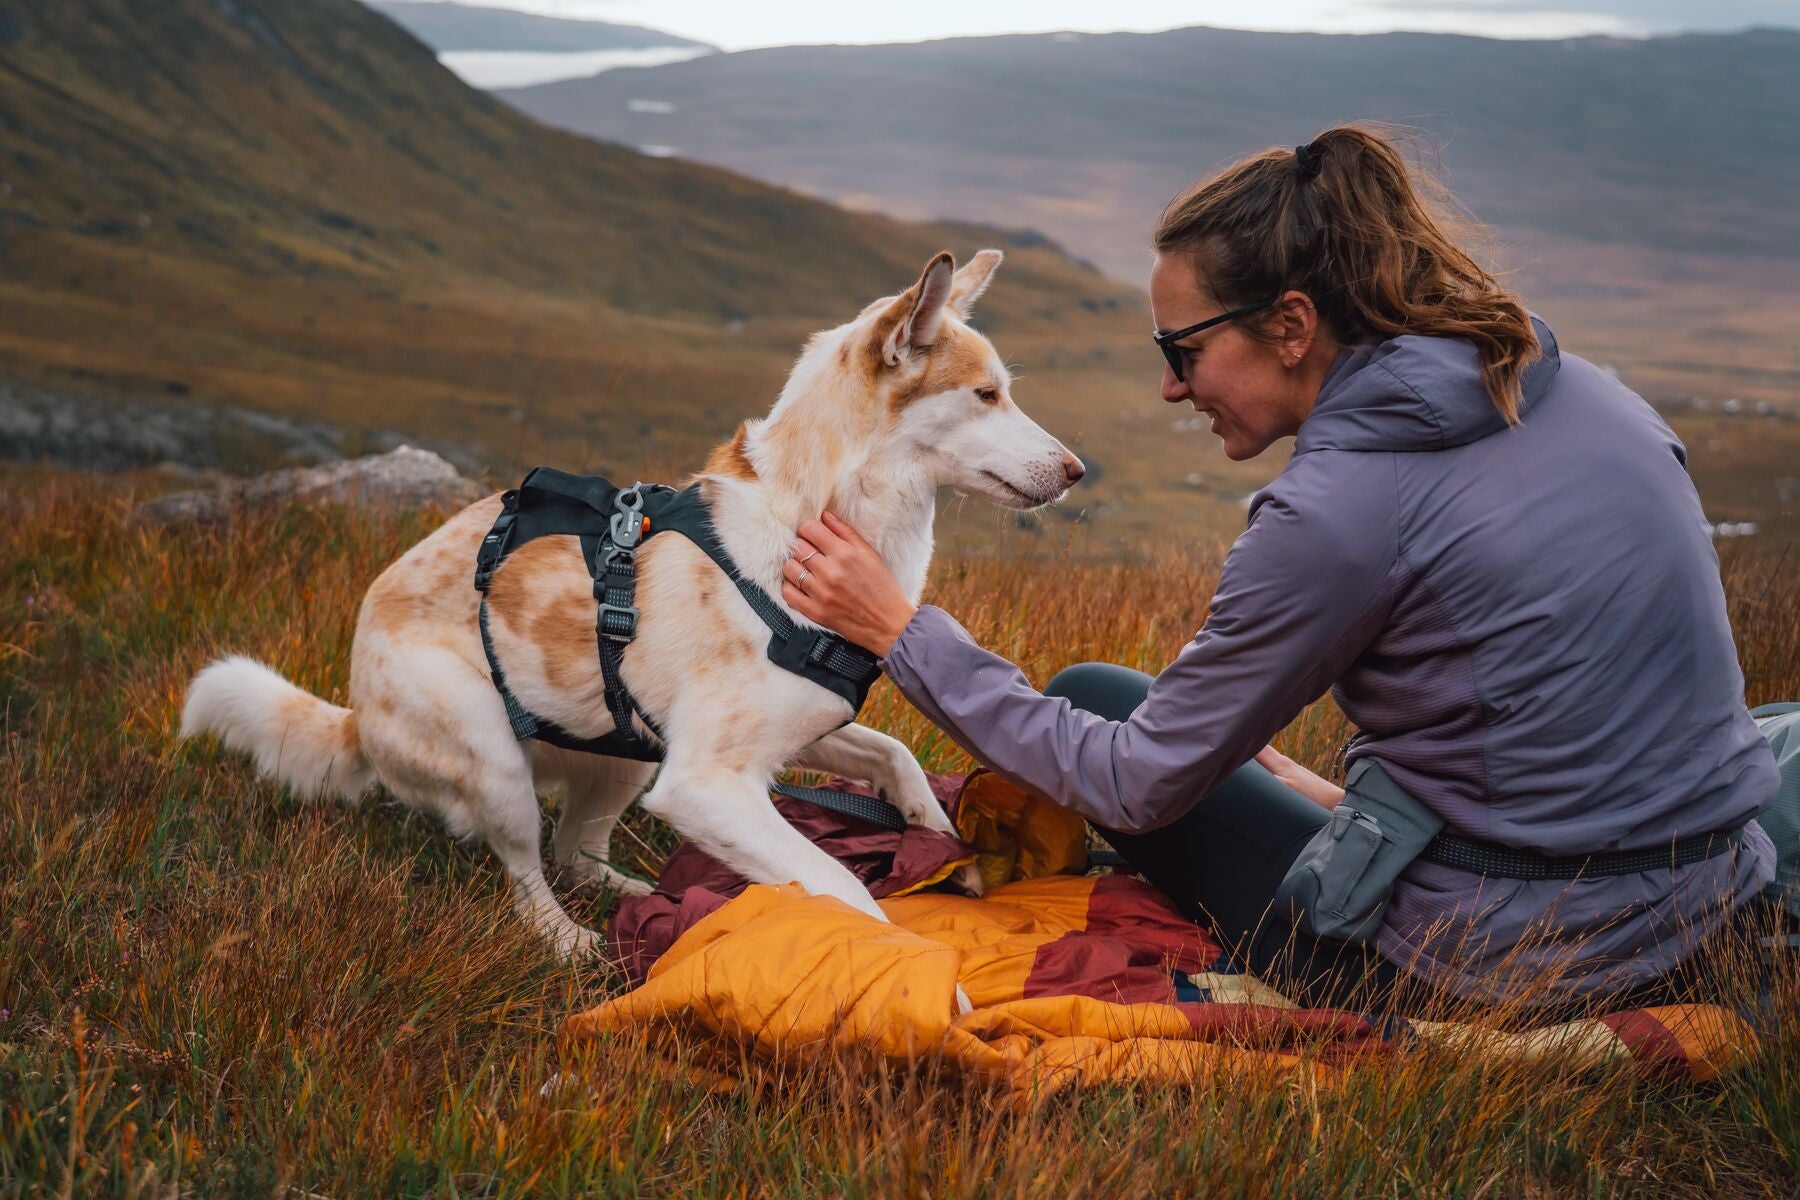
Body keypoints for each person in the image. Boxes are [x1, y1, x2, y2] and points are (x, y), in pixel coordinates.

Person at [779, 125, 1782, 1014]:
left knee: (1093, 702)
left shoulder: (1338, 511)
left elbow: (1134, 790)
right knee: (1133, 704)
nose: (1172, 387)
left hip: (1505, 957)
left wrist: (902, 633)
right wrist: (1358, 800)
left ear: (1293, 327)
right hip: (1711, 889)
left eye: (1184, 349)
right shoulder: (1591, 396)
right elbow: (1563, 703)